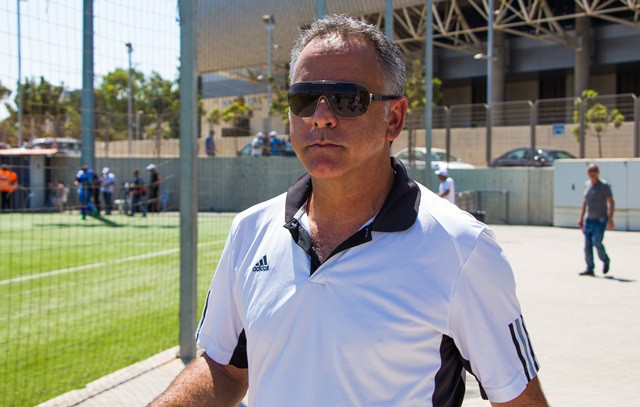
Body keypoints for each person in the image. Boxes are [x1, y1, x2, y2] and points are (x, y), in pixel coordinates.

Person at [152, 15, 548, 407]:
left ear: (394, 118)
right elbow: (224, 370)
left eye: (347, 98)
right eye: (304, 98)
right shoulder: (250, 230)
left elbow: (518, 399)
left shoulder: (463, 248)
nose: (321, 116)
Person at [578, 163, 614, 276]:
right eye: (590, 171)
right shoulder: (586, 185)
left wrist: (610, 219)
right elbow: (585, 202)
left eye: (594, 170)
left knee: (597, 242)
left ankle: (605, 260)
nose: (592, 173)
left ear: (598, 172)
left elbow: (611, 202)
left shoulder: (604, 185)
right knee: (587, 245)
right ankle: (590, 267)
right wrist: (581, 217)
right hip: (589, 219)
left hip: (600, 219)